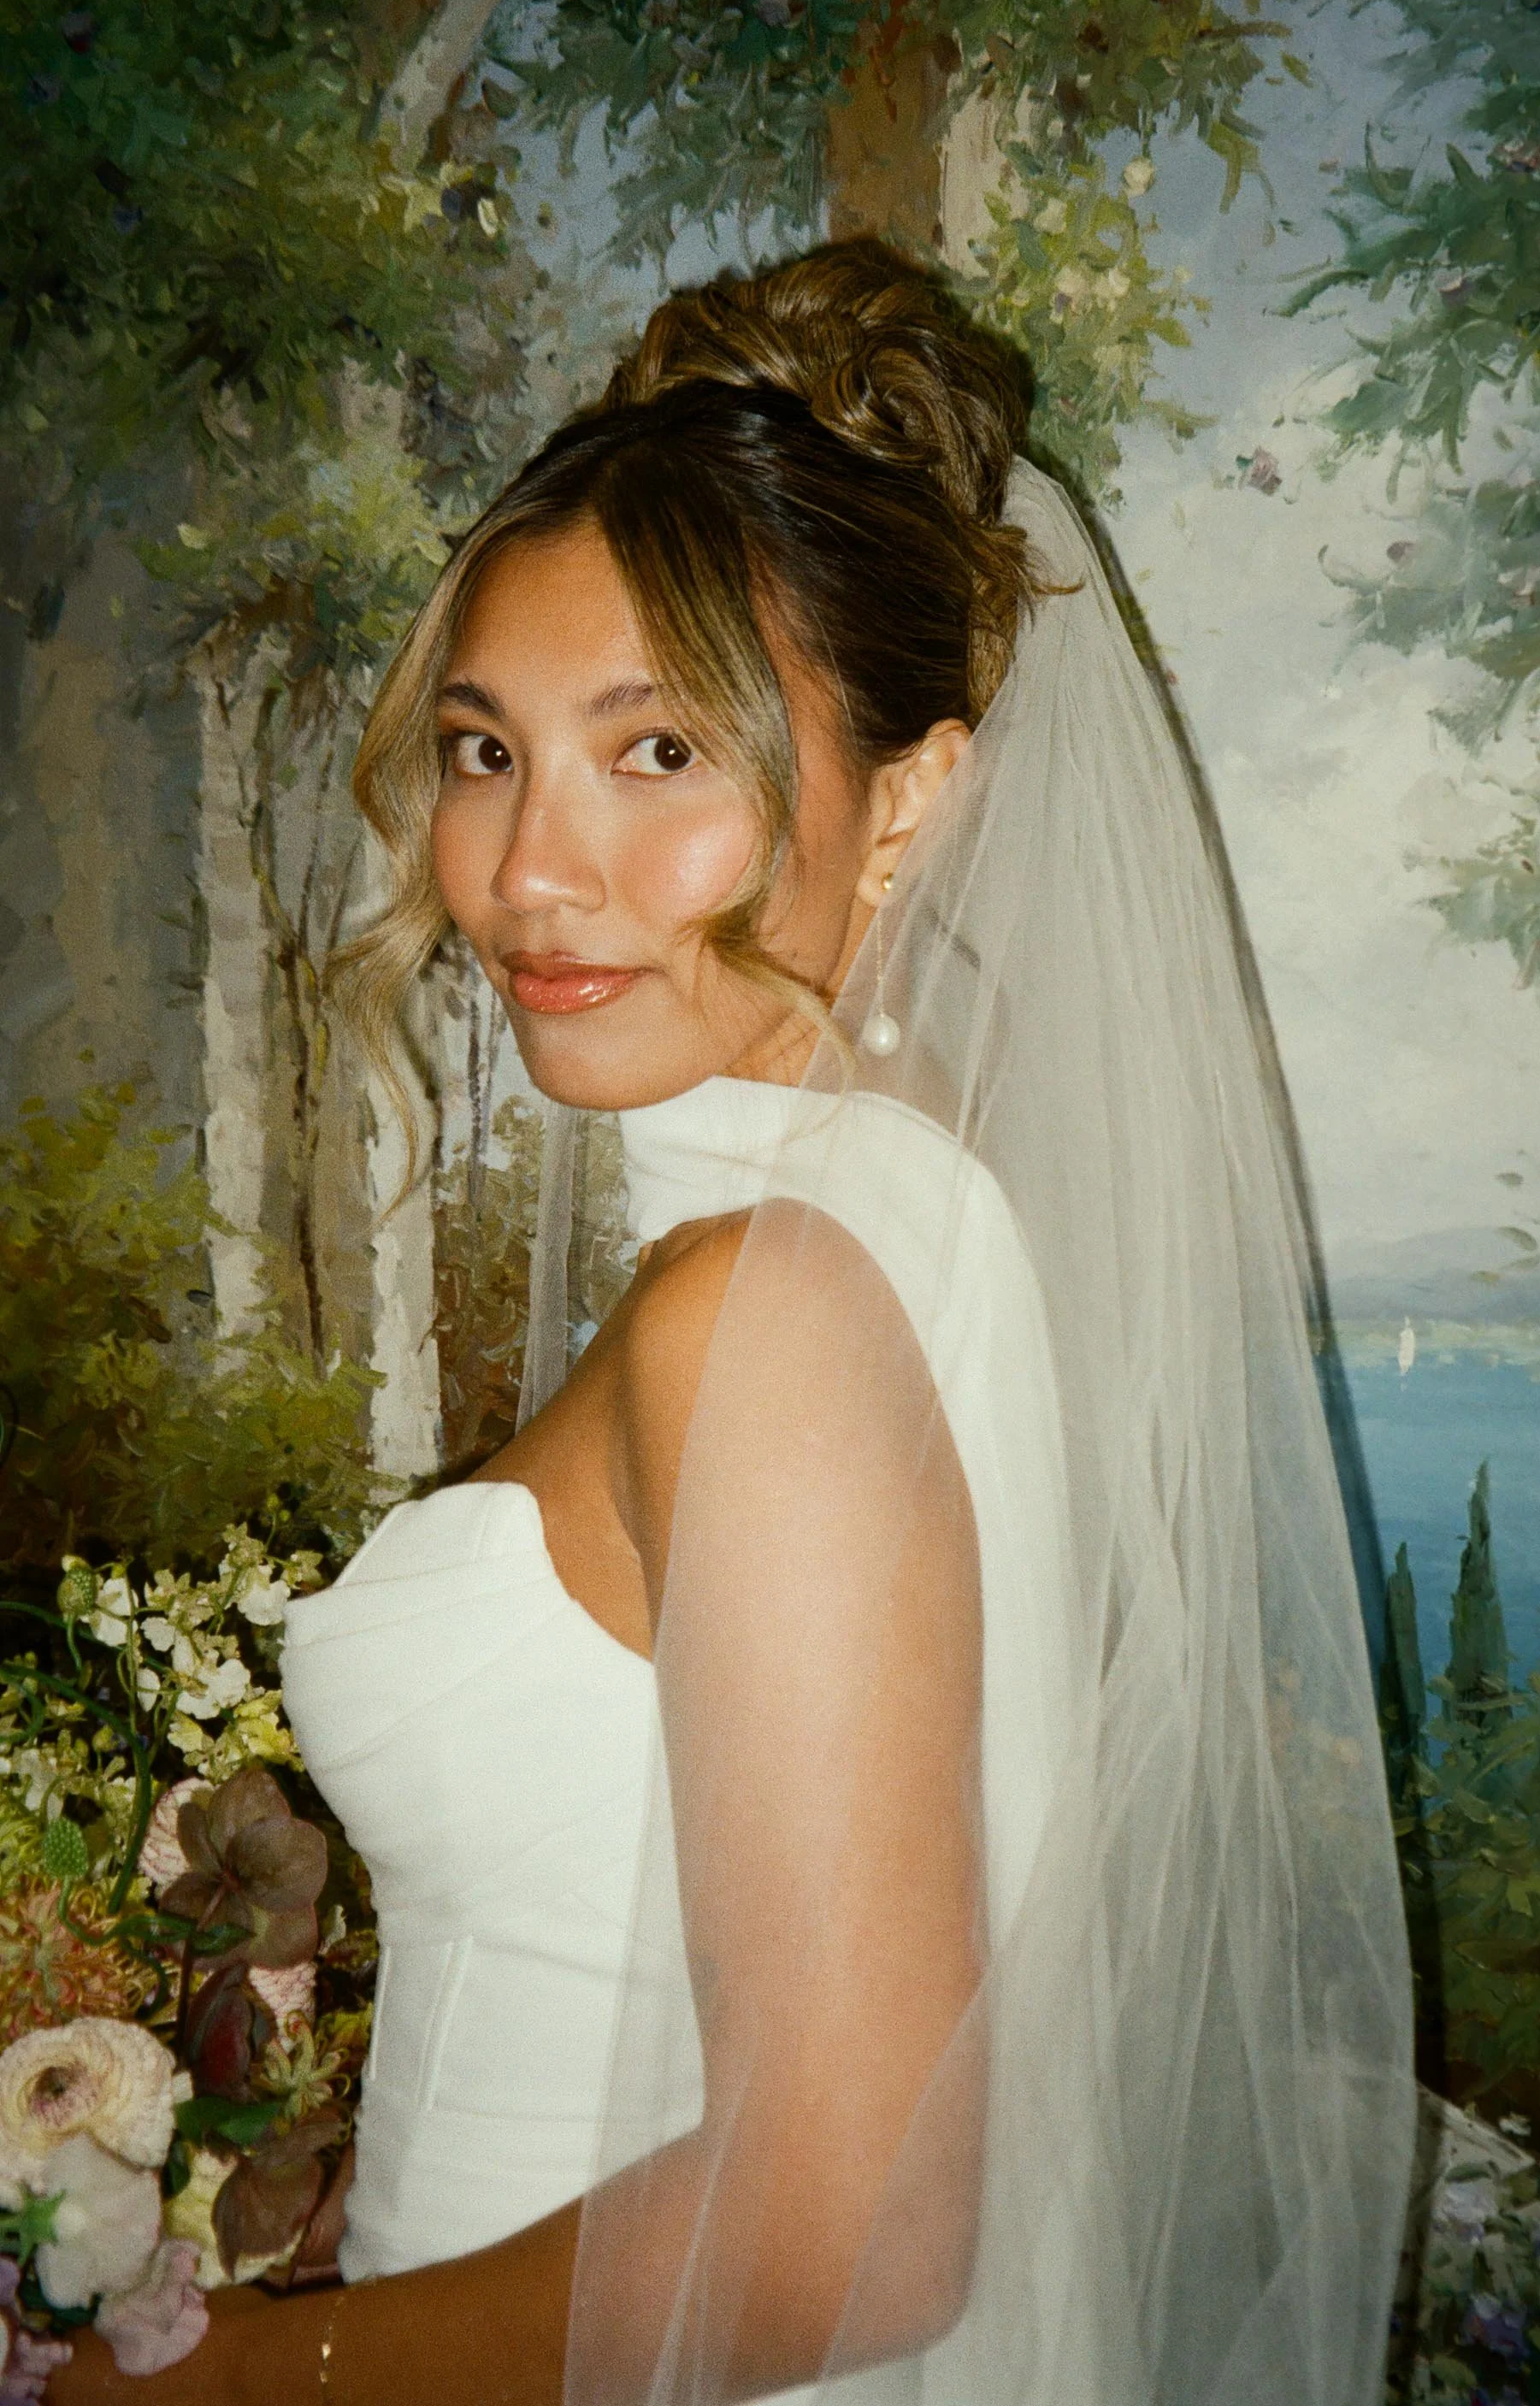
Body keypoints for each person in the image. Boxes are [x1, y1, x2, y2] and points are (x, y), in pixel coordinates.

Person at [48, 240, 1413, 2403]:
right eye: (488, 748)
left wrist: (220, 2387)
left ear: (915, 800)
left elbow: (851, 2227)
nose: (523, 870)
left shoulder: (768, 1314)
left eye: (657, 746)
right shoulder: (915, 1200)